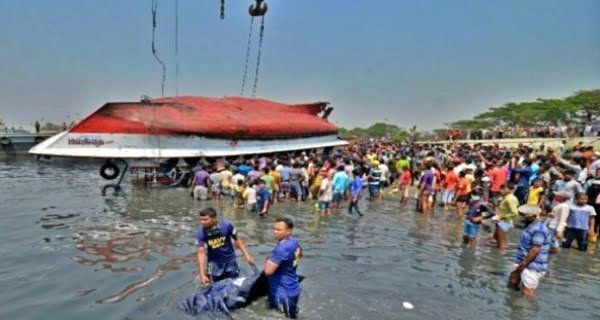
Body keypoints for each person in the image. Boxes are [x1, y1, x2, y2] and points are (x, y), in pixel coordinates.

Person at [195, 207, 254, 285]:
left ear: (214, 218)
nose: (202, 222)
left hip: (230, 260)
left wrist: (247, 255)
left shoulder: (226, 225)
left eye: (205, 219)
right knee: (214, 285)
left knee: (234, 283)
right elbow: (201, 253)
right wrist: (202, 274)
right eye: (201, 219)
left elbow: (237, 240)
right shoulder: (200, 233)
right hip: (213, 263)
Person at [263, 218, 303, 319]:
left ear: (289, 231)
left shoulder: (282, 247)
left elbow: (268, 271)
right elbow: (300, 255)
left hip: (284, 292)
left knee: (288, 317)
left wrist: (268, 260)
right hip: (291, 286)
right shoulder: (294, 242)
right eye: (274, 229)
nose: (274, 232)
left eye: (279, 229)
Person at [509, 204, 550, 298]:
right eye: (520, 214)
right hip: (522, 261)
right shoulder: (530, 226)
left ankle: (528, 309)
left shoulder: (539, 229)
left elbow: (535, 250)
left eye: (523, 215)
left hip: (532, 265)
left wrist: (523, 265)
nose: (520, 217)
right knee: (513, 281)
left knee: (527, 292)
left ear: (534, 216)